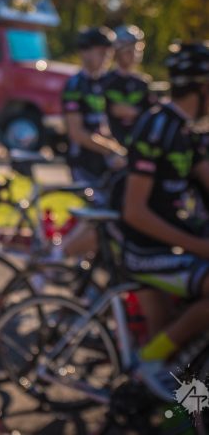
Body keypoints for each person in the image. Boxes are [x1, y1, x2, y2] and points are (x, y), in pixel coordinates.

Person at [118, 42, 209, 400]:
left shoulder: (190, 131)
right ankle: (150, 363)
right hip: (145, 251)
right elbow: (134, 211)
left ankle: (183, 408)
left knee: (183, 351)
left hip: (175, 248)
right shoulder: (157, 127)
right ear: (203, 88)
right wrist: (199, 246)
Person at [62, 26, 126, 193]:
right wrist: (113, 149)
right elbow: (76, 132)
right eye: (102, 53)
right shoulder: (75, 85)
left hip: (105, 161)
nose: (107, 58)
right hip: (84, 162)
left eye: (109, 54)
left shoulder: (107, 83)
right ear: (85, 52)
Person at [104, 24, 155, 146]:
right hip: (110, 144)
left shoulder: (144, 82)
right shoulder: (106, 80)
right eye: (127, 50)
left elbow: (151, 114)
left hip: (137, 144)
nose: (133, 54)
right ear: (117, 52)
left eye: (136, 49)